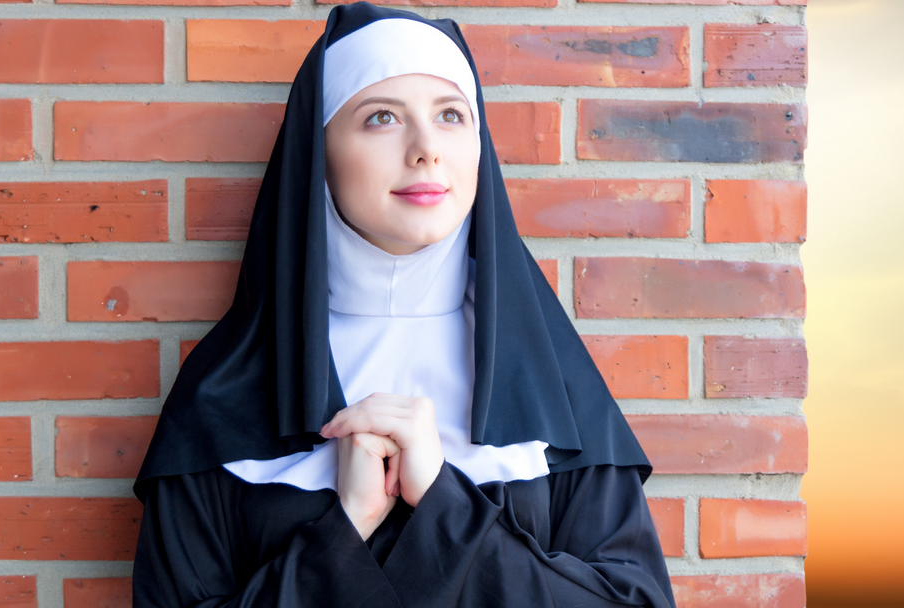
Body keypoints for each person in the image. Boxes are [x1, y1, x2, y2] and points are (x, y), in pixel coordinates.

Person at [132, 3, 676, 606]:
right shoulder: (218, 398)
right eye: (382, 117)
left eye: (450, 115)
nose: (425, 150)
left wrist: (445, 509)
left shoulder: (555, 390)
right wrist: (344, 531)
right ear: (318, 154)